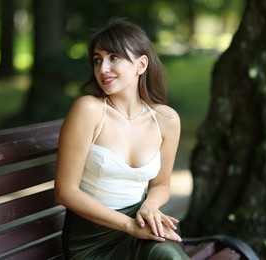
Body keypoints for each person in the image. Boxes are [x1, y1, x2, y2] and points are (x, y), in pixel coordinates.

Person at [54, 18, 189, 259]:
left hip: (139, 223)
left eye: (114, 57)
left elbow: (161, 185)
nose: (103, 68)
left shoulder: (166, 120)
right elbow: (65, 191)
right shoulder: (88, 110)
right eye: (98, 60)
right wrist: (130, 226)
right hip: (91, 239)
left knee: (170, 257)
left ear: (141, 64)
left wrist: (149, 206)